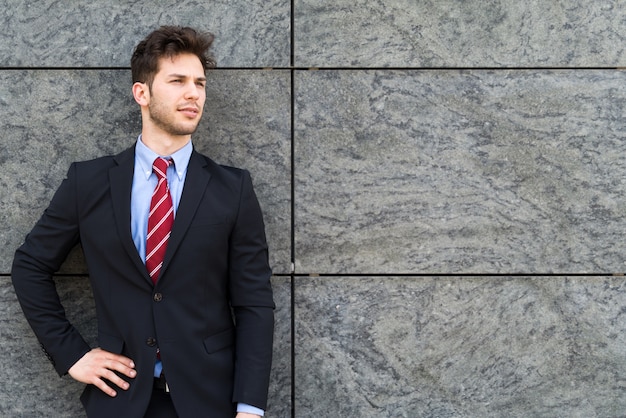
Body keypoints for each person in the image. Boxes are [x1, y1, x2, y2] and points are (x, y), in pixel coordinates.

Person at [11, 26, 274, 418]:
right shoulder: (89, 183)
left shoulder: (232, 189)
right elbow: (30, 266)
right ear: (142, 93)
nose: (194, 93)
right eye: (178, 81)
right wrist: (72, 355)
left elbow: (254, 302)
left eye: (200, 83)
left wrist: (250, 407)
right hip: (120, 401)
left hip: (211, 401)